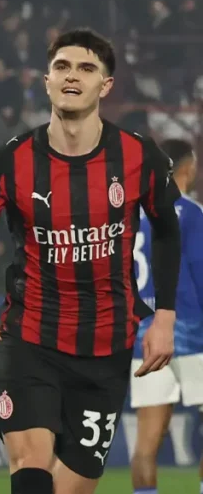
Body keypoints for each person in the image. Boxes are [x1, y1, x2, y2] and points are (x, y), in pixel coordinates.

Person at [0, 28, 180, 494]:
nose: (73, 76)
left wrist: (165, 318)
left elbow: (168, 232)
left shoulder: (139, 155)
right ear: (47, 81)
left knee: (73, 487)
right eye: (62, 67)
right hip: (31, 339)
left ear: (105, 85)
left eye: (86, 68)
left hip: (107, 346)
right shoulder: (8, 161)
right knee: (31, 471)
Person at [129, 138, 203, 494]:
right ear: (188, 168)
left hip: (144, 335)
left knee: (146, 443)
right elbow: (200, 272)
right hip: (190, 329)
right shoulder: (190, 212)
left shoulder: (128, 214)